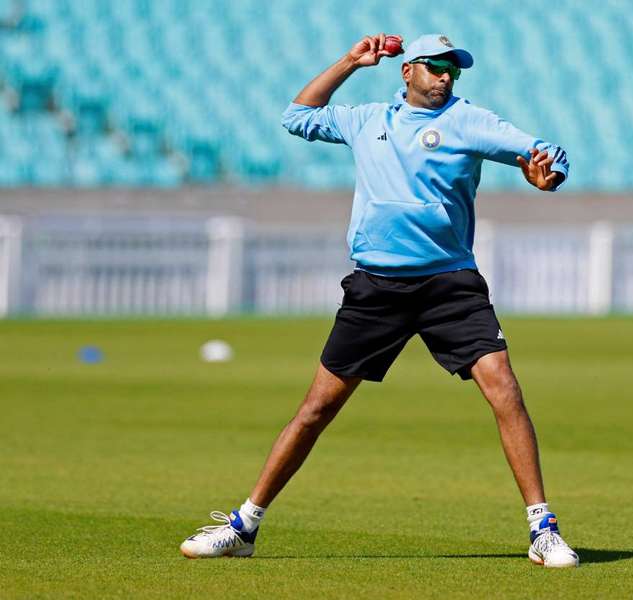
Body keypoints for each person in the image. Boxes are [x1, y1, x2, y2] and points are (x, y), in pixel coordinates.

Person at [179, 33, 578, 568]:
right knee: (316, 409)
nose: (446, 77)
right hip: (376, 289)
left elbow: (541, 155)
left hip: (449, 286)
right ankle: (244, 526)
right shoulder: (367, 118)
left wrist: (546, 171)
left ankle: (543, 530)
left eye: (453, 70)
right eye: (436, 67)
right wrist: (350, 61)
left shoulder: (470, 120)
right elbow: (296, 115)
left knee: (505, 388)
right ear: (407, 70)